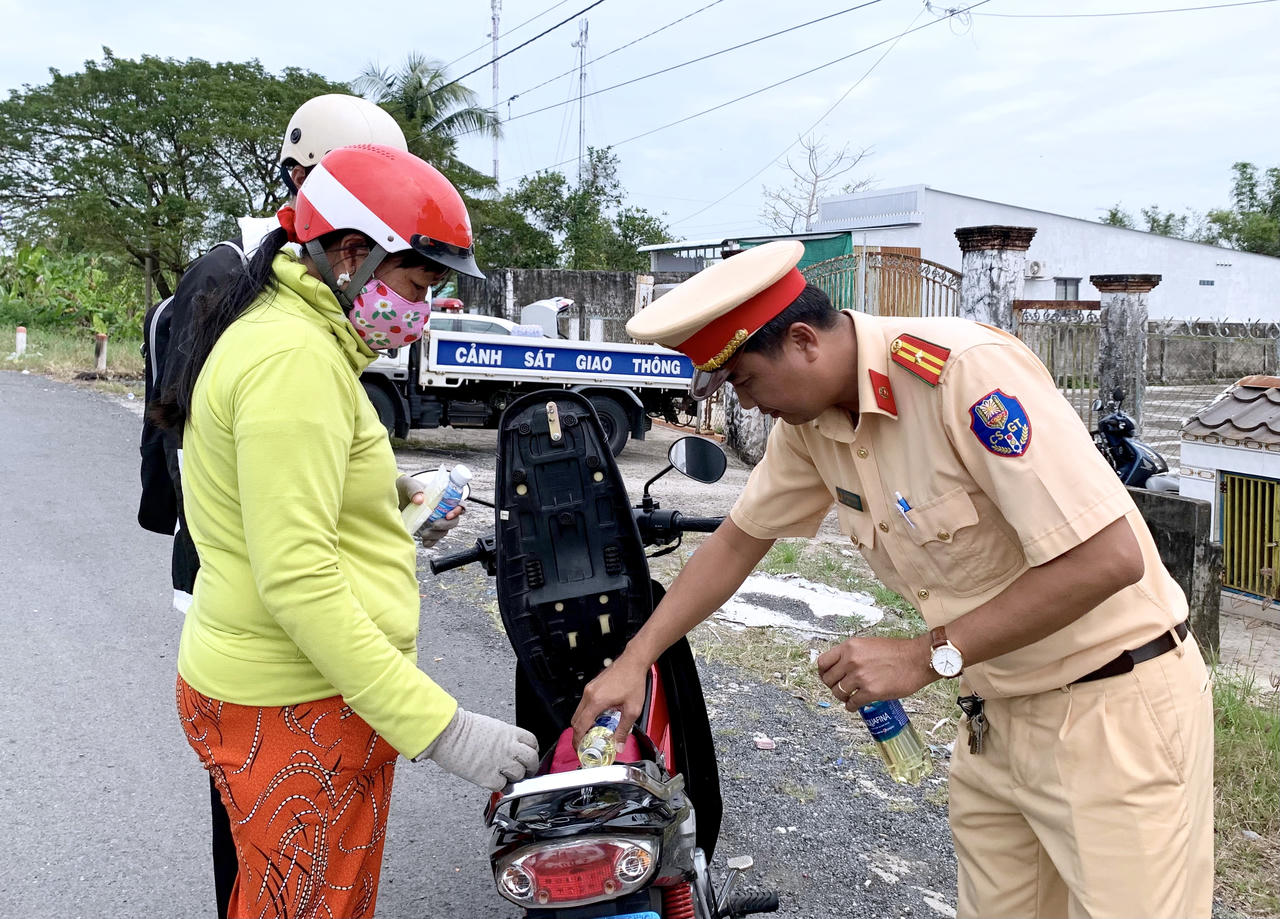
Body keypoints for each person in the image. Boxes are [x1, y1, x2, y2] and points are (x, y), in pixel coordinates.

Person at [572, 240, 1213, 919]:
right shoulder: (813, 424)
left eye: (746, 382)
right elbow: (737, 542)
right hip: (998, 717)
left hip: (1112, 711)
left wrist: (922, 655)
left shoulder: (963, 376)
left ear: (801, 341)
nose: (748, 405)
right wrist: (634, 663)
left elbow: (1109, 558)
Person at [151, 143, 539, 918]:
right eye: (418, 283)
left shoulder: (299, 334)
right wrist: (444, 727)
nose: (423, 308)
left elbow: (271, 490)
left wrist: (386, 503)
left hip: (302, 692)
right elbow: (296, 576)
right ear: (351, 254)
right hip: (291, 702)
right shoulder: (292, 357)